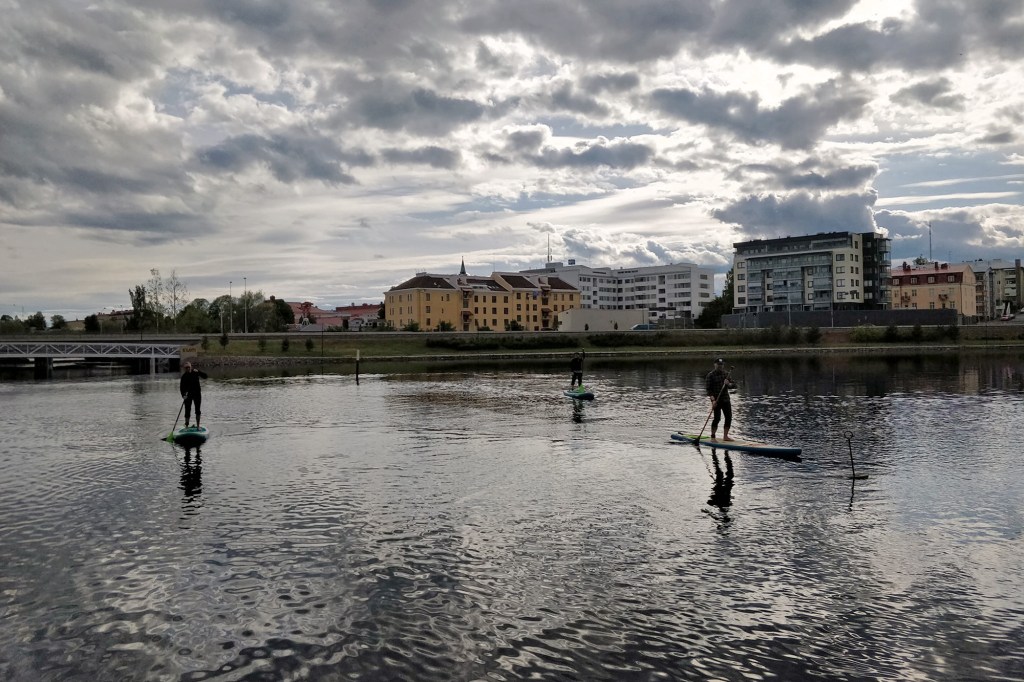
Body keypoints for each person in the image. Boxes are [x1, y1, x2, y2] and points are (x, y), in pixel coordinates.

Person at [705, 358, 736, 441]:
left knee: (728, 417)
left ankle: (725, 436)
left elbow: (734, 385)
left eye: (721, 365)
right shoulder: (710, 375)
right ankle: (713, 437)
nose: (720, 366)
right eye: (718, 364)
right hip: (716, 400)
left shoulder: (727, 374)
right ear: (714, 365)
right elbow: (708, 390)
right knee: (717, 418)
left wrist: (728, 384)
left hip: (726, 399)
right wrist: (713, 401)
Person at [179, 362, 208, 429]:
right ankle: (186, 426)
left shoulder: (195, 372)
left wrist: (199, 372)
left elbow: (205, 376)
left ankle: (198, 426)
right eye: (186, 368)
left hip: (197, 394)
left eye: (189, 367)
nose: (188, 368)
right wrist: (183, 395)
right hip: (188, 395)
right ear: (184, 369)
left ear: (191, 367)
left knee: (197, 410)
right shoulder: (183, 377)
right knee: (187, 410)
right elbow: (181, 388)